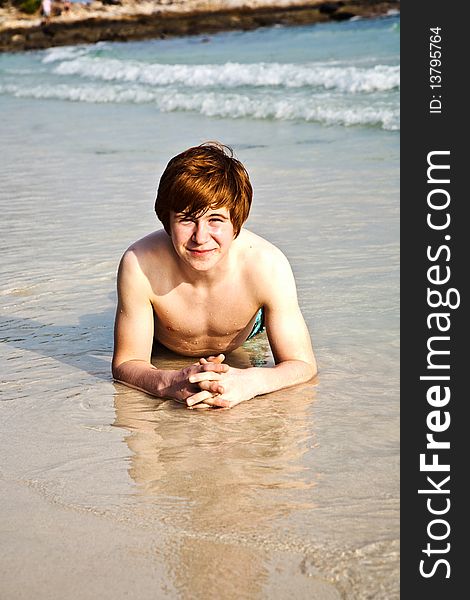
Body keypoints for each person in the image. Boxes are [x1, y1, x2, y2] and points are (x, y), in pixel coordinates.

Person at [112, 142, 317, 409]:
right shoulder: (140, 264)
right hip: (161, 337)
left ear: (236, 223)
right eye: (186, 219)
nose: (200, 237)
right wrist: (169, 382)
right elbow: (127, 362)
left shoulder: (268, 266)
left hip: (249, 328)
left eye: (215, 220)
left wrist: (251, 381)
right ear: (167, 221)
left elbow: (303, 365)